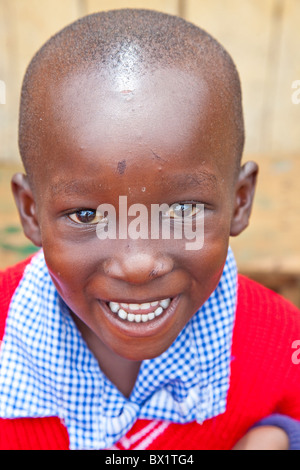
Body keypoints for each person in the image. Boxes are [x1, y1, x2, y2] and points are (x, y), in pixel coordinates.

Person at [0, 9, 299, 450]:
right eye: (86, 216)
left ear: (240, 201)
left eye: (183, 210)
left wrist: (280, 438)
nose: (138, 264)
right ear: (30, 211)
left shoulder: (284, 345)